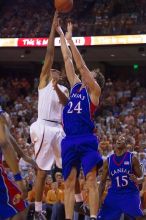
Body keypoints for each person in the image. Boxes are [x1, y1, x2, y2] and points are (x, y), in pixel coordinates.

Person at [56, 22, 105, 220]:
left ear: (95, 81)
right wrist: (60, 34)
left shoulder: (95, 92)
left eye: (91, 76)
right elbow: (67, 60)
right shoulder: (76, 86)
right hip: (69, 139)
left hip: (86, 138)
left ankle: (93, 217)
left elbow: (80, 66)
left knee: (91, 178)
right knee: (68, 181)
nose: (86, 75)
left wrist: (70, 40)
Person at [29, 11, 68, 219]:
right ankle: (37, 210)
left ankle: (79, 202)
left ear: (60, 75)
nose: (51, 69)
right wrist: (53, 29)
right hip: (43, 125)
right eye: (50, 69)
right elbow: (50, 53)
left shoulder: (63, 88)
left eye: (55, 70)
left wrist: (58, 87)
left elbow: (66, 104)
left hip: (58, 128)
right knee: (42, 171)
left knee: (68, 166)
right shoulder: (43, 81)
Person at [97, 134, 144, 220]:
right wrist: (98, 199)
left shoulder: (132, 158)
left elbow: (142, 177)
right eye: (117, 139)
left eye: (122, 139)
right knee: (102, 217)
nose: (118, 140)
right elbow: (102, 182)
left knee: (138, 216)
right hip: (114, 194)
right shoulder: (108, 161)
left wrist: (137, 180)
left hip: (130, 193)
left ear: (126, 144)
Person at [0, 109, 34, 220]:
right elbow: (4, 143)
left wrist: (23, 155)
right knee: (21, 205)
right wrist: (18, 179)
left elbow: (7, 137)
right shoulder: (2, 118)